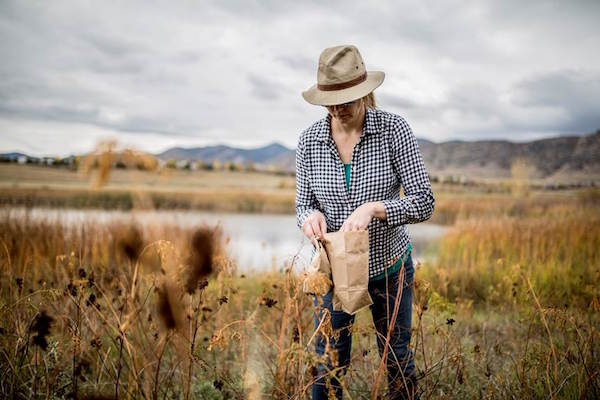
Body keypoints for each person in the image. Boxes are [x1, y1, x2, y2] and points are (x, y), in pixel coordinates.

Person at [295, 45, 435, 400]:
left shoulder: (394, 130)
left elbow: (424, 201)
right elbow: (302, 203)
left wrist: (376, 208)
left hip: (389, 269)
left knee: (398, 360)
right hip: (333, 273)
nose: (337, 109)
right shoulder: (309, 141)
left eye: (346, 100)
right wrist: (309, 217)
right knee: (328, 366)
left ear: (364, 93)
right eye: (330, 101)